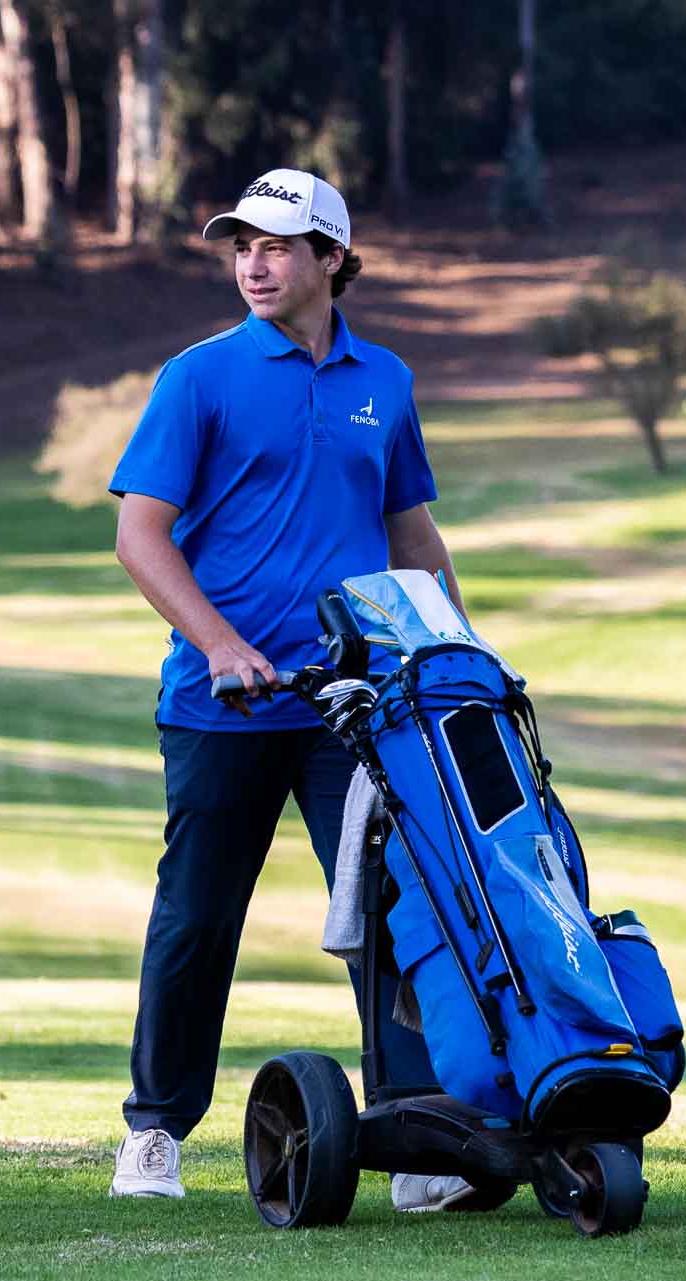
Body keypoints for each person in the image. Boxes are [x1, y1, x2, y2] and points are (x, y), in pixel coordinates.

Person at [105, 168, 474, 1212]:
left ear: (332, 259)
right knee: (196, 918)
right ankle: (153, 1131)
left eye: (274, 246)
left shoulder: (384, 382)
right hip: (218, 704)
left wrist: (458, 655)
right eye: (241, 246)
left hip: (348, 706)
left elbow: (410, 536)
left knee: (392, 915)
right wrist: (220, 646)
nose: (253, 264)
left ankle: (418, 1138)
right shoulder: (200, 378)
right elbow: (140, 535)